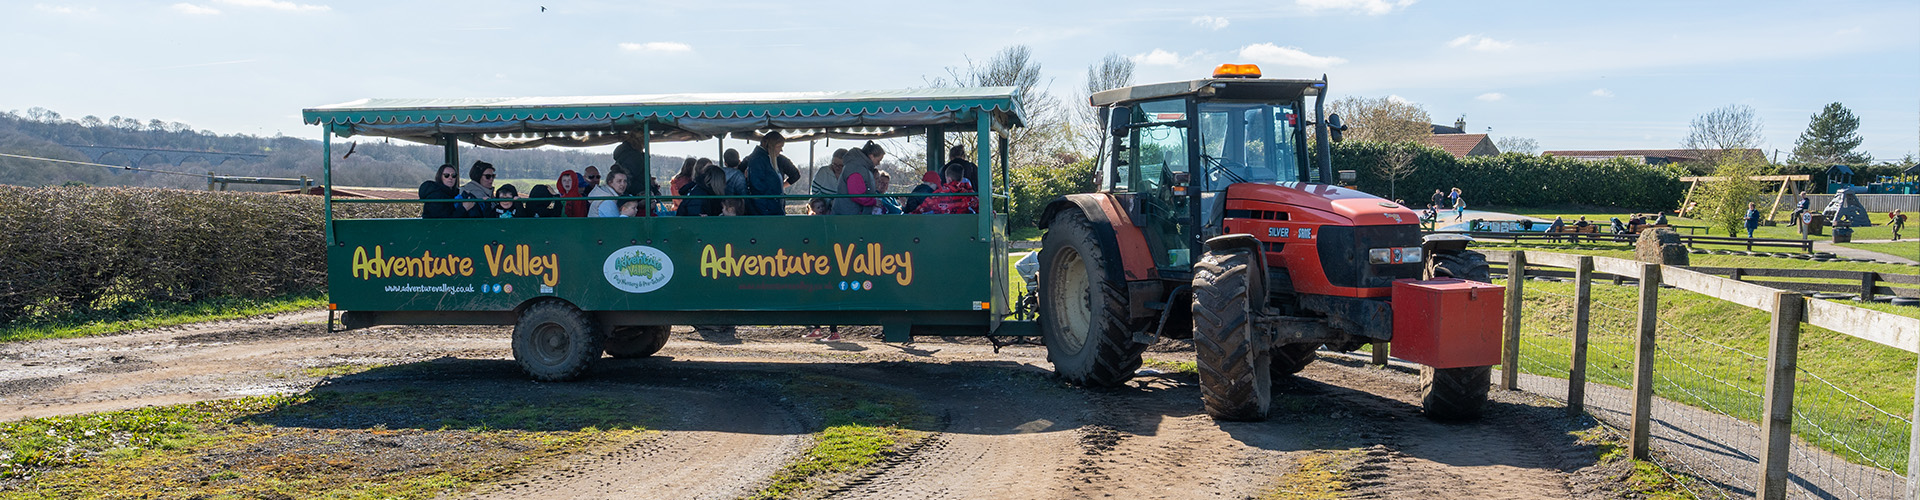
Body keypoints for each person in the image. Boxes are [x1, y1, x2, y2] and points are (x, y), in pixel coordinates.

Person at [742, 133, 791, 216]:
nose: (781, 150)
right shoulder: (759, 160)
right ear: (771, 145)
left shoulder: (764, 159)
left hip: (769, 208)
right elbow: (758, 187)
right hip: (767, 210)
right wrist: (770, 209)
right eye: (779, 146)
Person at [833, 142, 885, 215]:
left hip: (850, 213)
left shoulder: (859, 167)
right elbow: (857, 195)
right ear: (871, 156)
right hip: (849, 215)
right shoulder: (856, 169)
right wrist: (874, 202)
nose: (878, 164)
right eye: (878, 160)